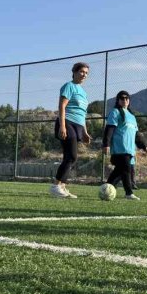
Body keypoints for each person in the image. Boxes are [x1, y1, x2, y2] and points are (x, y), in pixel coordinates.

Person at [50, 62, 91, 198]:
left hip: (78, 126)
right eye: (81, 72)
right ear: (74, 72)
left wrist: (85, 132)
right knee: (72, 156)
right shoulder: (69, 86)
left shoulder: (84, 93)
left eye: (86, 73)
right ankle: (56, 185)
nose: (84, 74)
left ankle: (62, 186)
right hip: (67, 122)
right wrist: (62, 126)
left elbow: (82, 114)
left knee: (70, 157)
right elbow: (62, 106)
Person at [102, 90, 147, 200]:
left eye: (126, 98)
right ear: (118, 100)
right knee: (126, 169)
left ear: (129, 100)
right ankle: (129, 193)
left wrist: (143, 146)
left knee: (119, 171)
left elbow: (136, 135)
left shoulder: (132, 116)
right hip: (119, 148)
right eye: (122, 98)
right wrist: (106, 144)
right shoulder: (115, 112)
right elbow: (109, 129)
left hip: (129, 149)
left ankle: (106, 188)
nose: (124, 100)